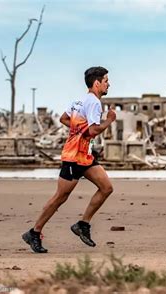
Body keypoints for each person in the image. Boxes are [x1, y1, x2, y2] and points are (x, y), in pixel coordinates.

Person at [22, 66, 116, 253]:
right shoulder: (94, 103)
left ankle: (83, 225)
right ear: (97, 83)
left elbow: (65, 119)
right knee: (60, 197)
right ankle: (34, 232)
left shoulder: (79, 100)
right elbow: (93, 130)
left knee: (106, 188)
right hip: (74, 156)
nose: (108, 84)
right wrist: (110, 120)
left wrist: (78, 129)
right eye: (106, 80)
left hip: (85, 156)